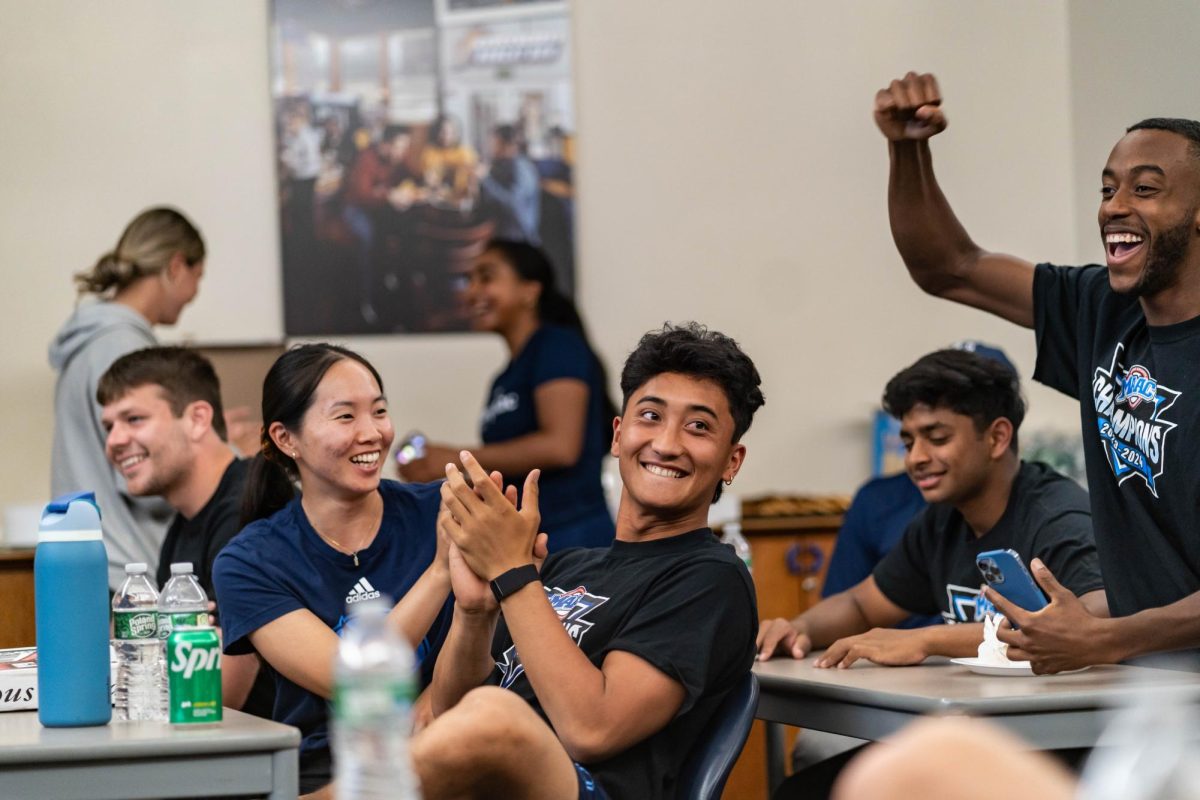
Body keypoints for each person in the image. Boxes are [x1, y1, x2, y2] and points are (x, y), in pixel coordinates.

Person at [875, 71, 1200, 671]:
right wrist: (907, 147)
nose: (1115, 208)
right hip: (1146, 685)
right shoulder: (1103, 309)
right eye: (1107, 190)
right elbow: (948, 267)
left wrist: (1108, 638)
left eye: (1146, 189)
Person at [354, 321, 761, 800]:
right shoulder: (568, 568)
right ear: (617, 434)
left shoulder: (710, 579)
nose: (667, 443)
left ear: (731, 461)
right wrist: (474, 610)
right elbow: (445, 715)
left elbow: (592, 730)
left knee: (495, 716)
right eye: (650, 416)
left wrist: (513, 573)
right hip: (481, 786)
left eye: (698, 426)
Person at [757, 349, 1106, 668]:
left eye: (937, 438)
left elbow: (1092, 619)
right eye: (909, 442)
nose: (915, 458)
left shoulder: (1059, 517)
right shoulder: (941, 521)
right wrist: (798, 627)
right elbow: (861, 605)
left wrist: (926, 639)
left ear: (997, 438)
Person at [212, 344, 453, 793]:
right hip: (329, 773)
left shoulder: (440, 510)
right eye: (345, 417)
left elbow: (494, 638)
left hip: (450, 750)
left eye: (379, 411)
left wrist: (435, 700)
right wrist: (441, 572)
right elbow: (352, 681)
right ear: (286, 439)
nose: (372, 433)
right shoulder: (248, 563)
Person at [399, 239, 617, 552]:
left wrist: (457, 459)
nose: (472, 291)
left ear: (530, 291)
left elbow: (561, 447)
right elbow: (513, 469)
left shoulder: (558, 347)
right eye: (469, 280)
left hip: (574, 541)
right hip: (526, 541)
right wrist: (439, 474)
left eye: (486, 277)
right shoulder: (504, 378)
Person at [96, 346, 271, 716]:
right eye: (109, 426)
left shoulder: (253, 503)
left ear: (196, 419)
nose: (113, 441)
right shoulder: (184, 523)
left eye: (134, 419)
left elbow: (216, 691)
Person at [49, 207, 206, 590]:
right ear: (176, 267)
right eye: (197, 277)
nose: (195, 293)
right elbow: (144, 471)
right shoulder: (123, 348)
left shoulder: (91, 342)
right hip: (125, 574)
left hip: (93, 567)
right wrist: (215, 452)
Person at [480, 123, 542, 244]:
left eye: (494, 144)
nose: (491, 148)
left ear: (508, 146)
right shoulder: (503, 163)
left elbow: (512, 203)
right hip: (503, 230)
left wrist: (485, 180)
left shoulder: (521, 168)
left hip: (519, 239)